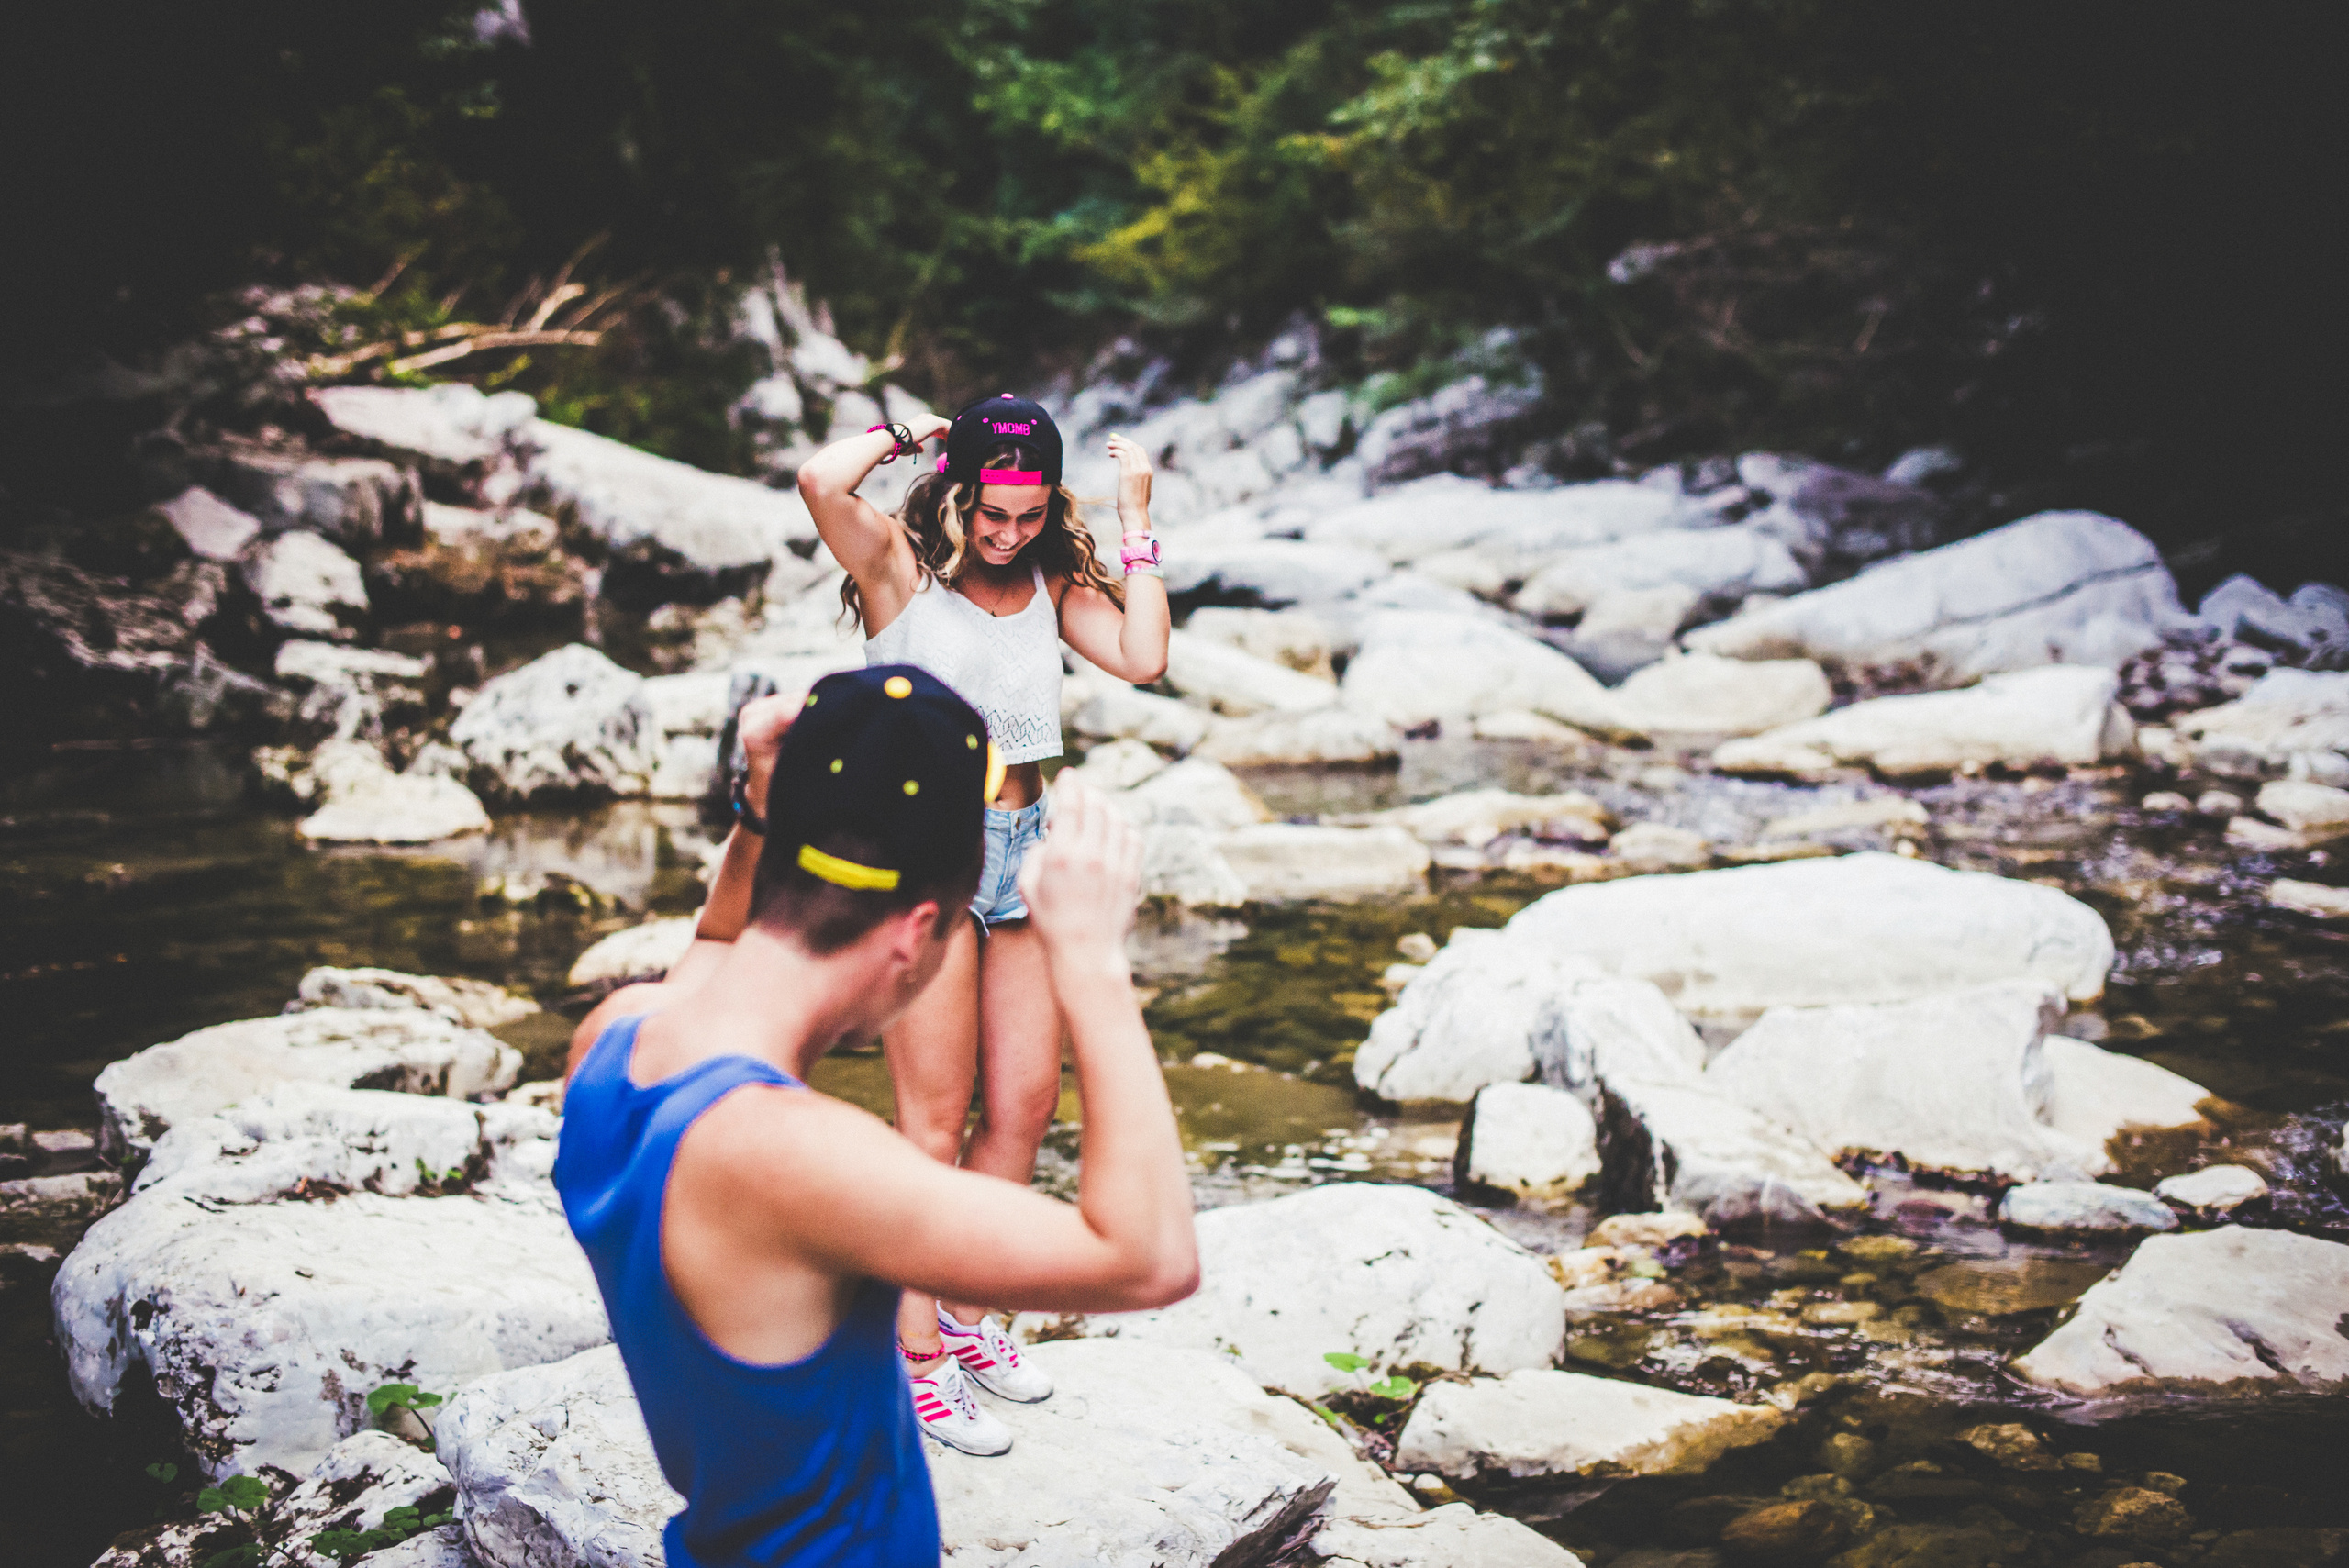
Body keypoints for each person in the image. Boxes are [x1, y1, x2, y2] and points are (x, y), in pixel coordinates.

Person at [554, 665, 1197, 1566]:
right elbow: (1150, 1257)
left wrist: (755, 811)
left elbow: (712, 943)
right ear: (916, 933)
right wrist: (1090, 961)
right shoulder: (793, 1160)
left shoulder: (612, 1042)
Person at [795, 395, 1171, 1451]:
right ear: (957, 490)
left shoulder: (1050, 574)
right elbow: (822, 481)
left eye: (1027, 511)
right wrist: (911, 429)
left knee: (1023, 1103)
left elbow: (1142, 656)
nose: (1007, 532)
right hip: (928, 857)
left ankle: (962, 1319)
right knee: (932, 1119)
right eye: (991, 511)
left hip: (1027, 845)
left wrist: (1136, 515)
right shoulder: (898, 573)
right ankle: (909, 1358)